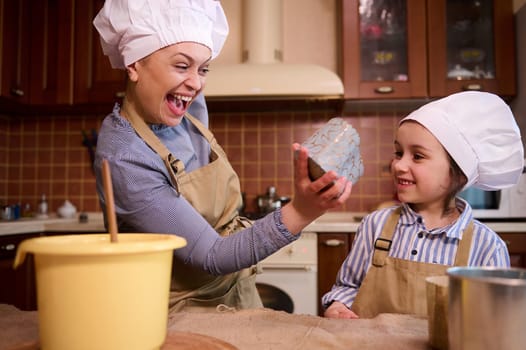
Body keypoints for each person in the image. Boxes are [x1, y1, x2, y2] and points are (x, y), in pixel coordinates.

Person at [92, 0, 352, 313]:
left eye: (203, 68)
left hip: (233, 295)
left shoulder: (186, 106)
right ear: (133, 64)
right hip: (175, 314)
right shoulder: (125, 157)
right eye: (181, 65)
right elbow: (213, 255)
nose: (196, 83)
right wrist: (303, 211)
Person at [322, 91, 524, 319]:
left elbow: (495, 321)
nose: (398, 165)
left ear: (459, 173)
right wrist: (338, 306)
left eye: (417, 156)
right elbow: (348, 287)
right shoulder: (375, 225)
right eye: (399, 153)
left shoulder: (487, 247)